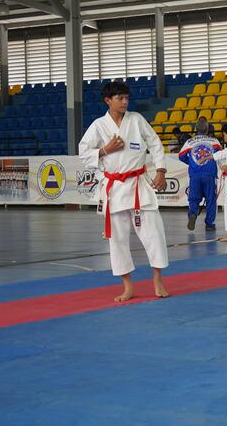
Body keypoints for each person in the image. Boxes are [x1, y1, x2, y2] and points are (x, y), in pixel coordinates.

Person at [78, 81, 170, 302]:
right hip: (115, 190)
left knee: (154, 234)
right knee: (117, 240)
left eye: (127, 98)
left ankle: (158, 280)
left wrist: (161, 171)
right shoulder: (99, 125)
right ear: (108, 100)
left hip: (139, 185)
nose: (125, 102)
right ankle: (128, 286)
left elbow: (155, 144)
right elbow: (83, 152)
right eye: (120, 98)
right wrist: (104, 150)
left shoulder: (136, 120)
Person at [178, 116, 221, 231]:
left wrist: (191, 163)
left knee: (194, 199)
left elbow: (181, 156)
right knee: (211, 199)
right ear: (208, 129)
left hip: (195, 174)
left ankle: (193, 214)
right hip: (209, 174)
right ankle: (210, 224)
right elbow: (220, 155)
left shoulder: (189, 142)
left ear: (196, 128)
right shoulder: (215, 142)